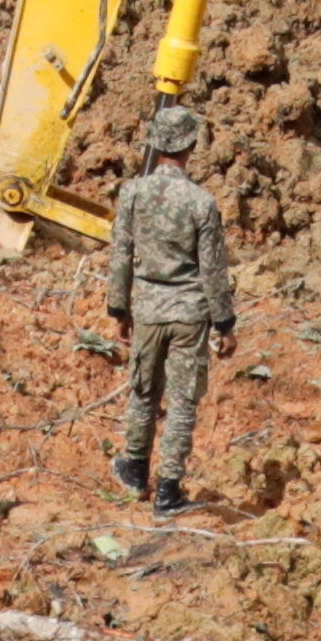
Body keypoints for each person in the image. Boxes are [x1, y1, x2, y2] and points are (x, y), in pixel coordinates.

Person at [105, 102, 240, 509]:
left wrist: (118, 309)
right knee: (182, 401)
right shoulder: (201, 202)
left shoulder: (132, 192)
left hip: (147, 309)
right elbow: (214, 269)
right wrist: (225, 324)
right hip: (190, 314)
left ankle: (134, 471)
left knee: (144, 392)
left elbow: (120, 253)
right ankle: (168, 491)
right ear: (191, 145)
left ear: (154, 143)